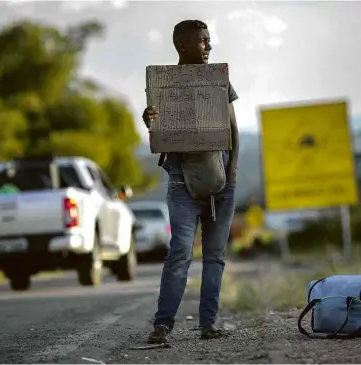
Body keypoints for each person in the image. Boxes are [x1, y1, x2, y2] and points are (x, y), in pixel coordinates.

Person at [142, 19, 240, 343]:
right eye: (202, 41)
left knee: (215, 255)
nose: (209, 46)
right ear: (182, 46)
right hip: (181, 180)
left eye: (209, 40)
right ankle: (163, 324)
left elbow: (233, 131)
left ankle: (208, 325)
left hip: (221, 176)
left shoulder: (219, 81)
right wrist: (151, 121)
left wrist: (232, 176)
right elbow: (161, 131)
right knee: (180, 252)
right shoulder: (164, 85)